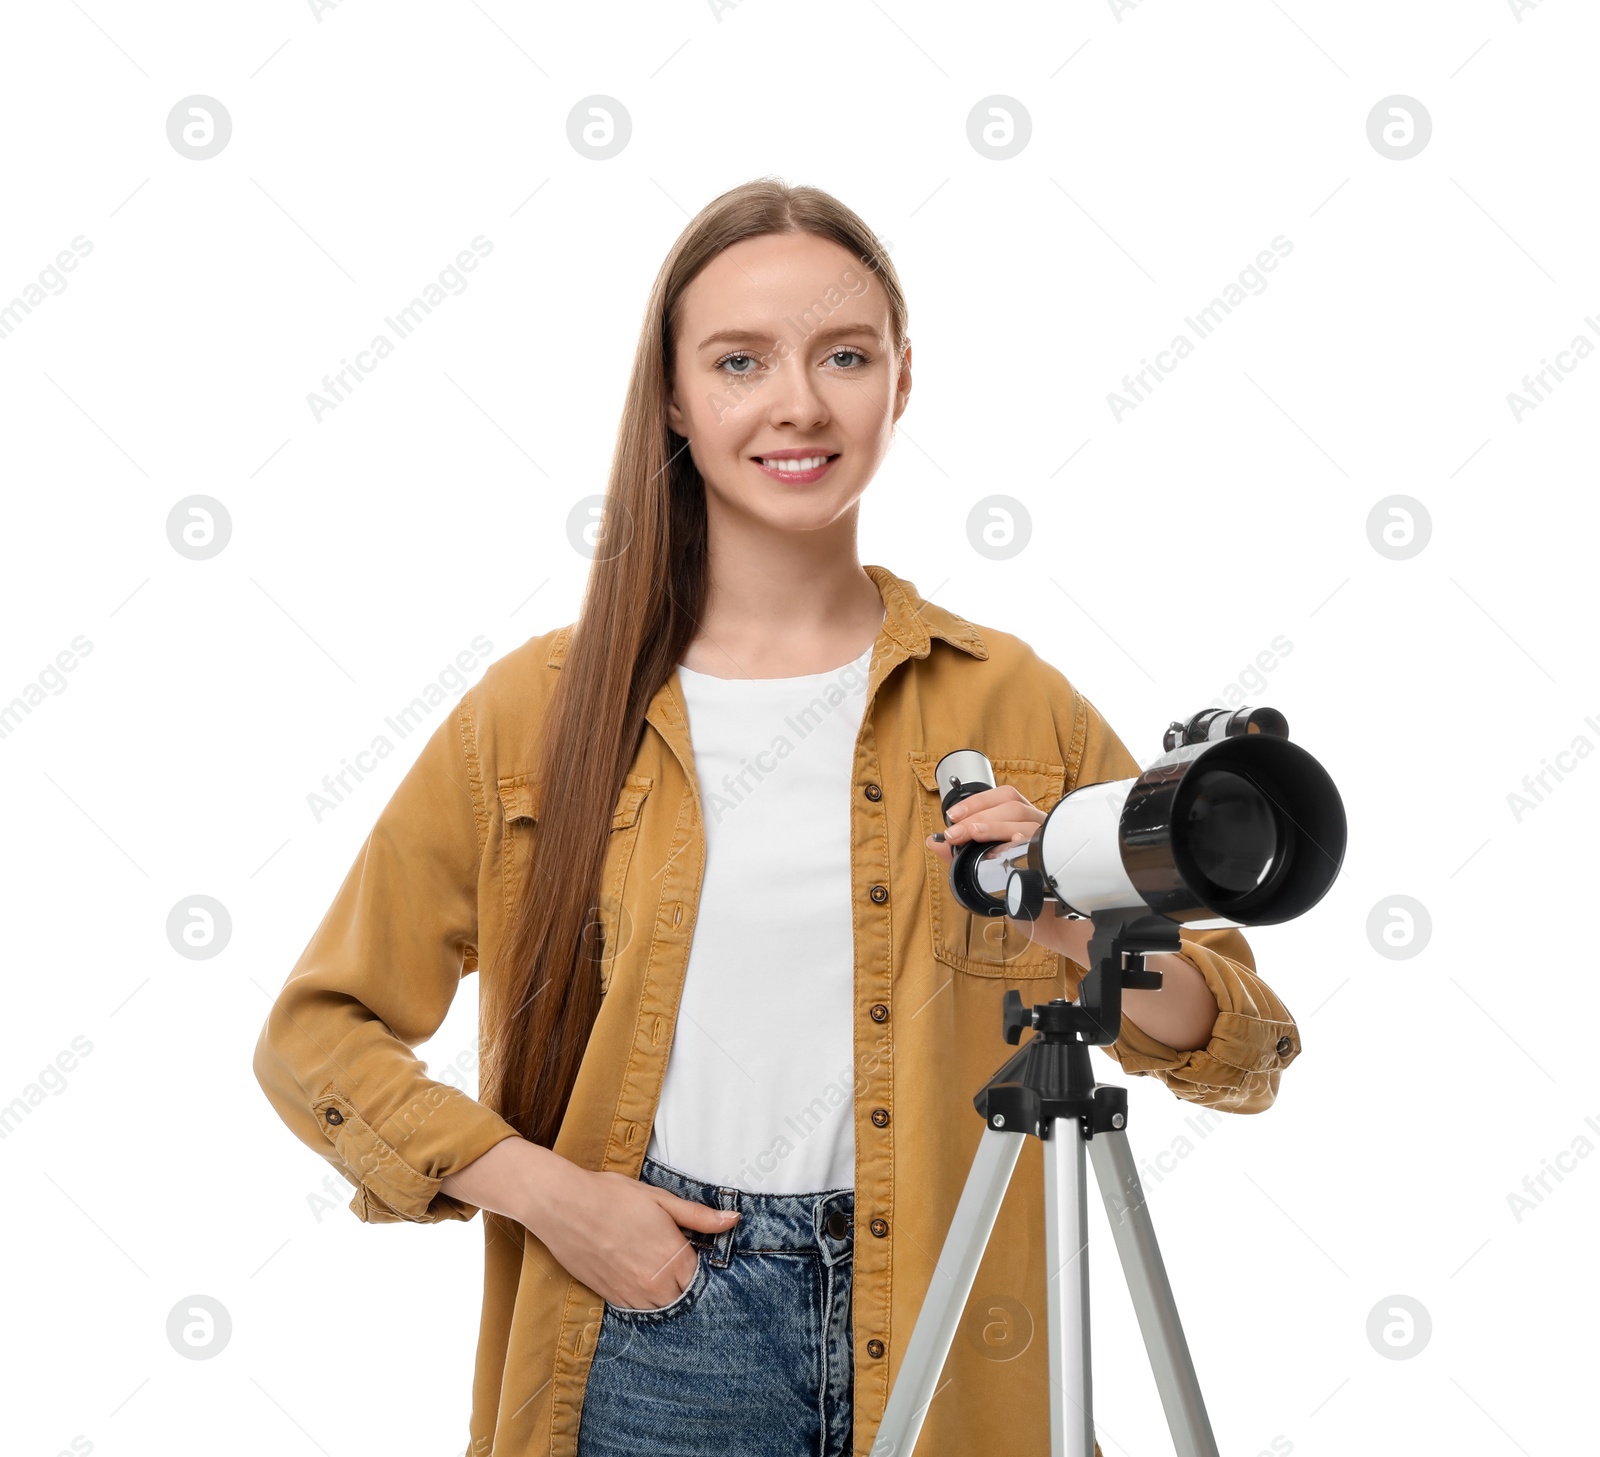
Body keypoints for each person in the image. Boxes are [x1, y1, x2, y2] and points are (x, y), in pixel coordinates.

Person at [252, 176, 1303, 1457]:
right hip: (655, 1324)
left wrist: (1073, 931)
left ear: (900, 381)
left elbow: (1240, 1042)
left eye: (843, 355)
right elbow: (318, 1036)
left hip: (954, 1313)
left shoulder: (1013, 700)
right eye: (740, 360)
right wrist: (548, 1195)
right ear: (676, 398)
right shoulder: (535, 710)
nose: (798, 402)